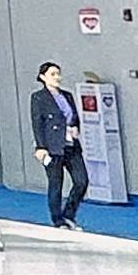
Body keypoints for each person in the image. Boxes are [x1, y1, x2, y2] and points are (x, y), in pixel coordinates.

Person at [31, 60, 88, 228]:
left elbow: (74, 117)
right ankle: (58, 219)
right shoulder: (39, 98)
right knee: (56, 184)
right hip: (52, 146)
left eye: (58, 74)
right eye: (52, 74)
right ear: (43, 77)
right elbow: (37, 123)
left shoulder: (67, 95)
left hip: (71, 144)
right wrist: (40, 146)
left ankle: (69, 213)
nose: (57, 77)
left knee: (81, 181)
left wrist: (76, 128)